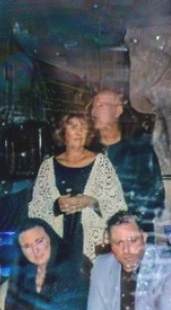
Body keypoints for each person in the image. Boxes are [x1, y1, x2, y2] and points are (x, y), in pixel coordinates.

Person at [27, 109, 125, 266]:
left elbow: (118, 207)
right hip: (57, 242)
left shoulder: (102, 164)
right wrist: (56, 206)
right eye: (73, 126)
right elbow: (36, 209)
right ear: (62, 132)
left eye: (83, 127)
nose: (79, 132)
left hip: (91, 243)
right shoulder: (47, 166)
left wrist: (91, 201)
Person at [88, 87, 164, 232]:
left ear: (118, 110)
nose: (93, 112)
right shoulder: (87, 153)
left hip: (131, 237)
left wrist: (126, 226)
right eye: (92, 107)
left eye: (100, 105)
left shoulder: (139, 151)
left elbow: (153, 195)